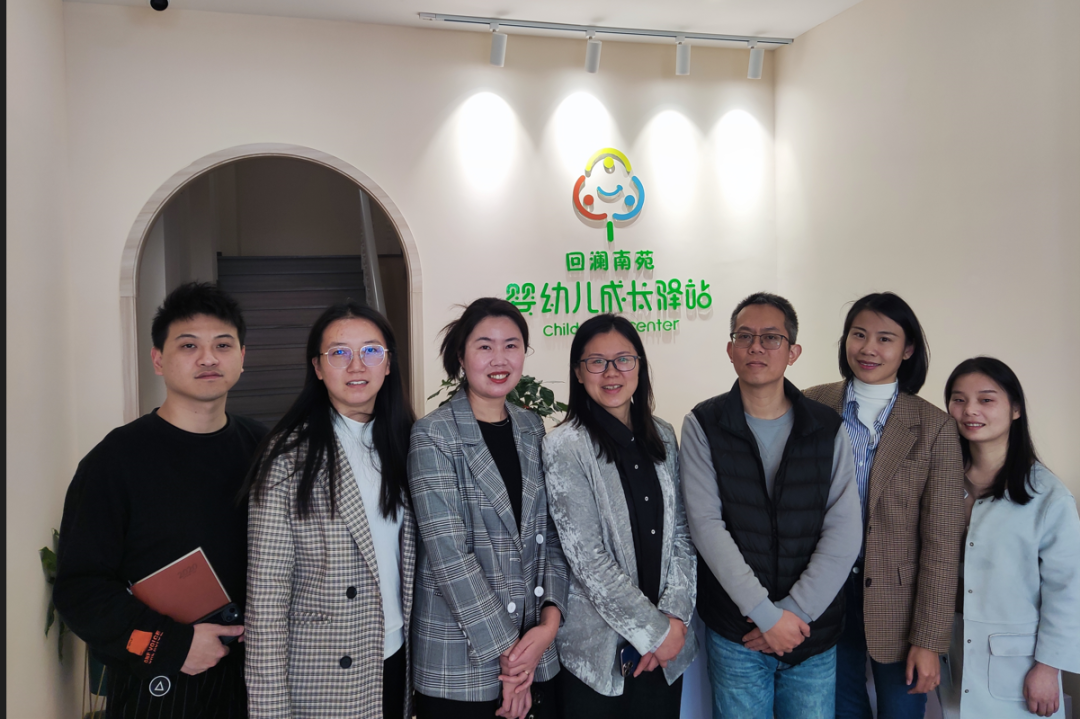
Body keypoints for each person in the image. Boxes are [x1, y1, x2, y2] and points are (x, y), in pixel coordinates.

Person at [54, 282, 265, 719]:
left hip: (255, 679)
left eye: (223, 345)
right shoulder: (115, 460)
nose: (208, 358)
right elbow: (79, 590)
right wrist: (171, 645)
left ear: (242, 357)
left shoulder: (265, 448)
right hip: (161, 686)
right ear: (157, 360)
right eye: (188, 345)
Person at [681, 291, 862, 719]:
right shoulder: (703, 424)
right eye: (744, 336)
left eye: (771, 337)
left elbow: (844, 530)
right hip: (738, 633)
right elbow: (706, 526)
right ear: (730, 349)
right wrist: (765, 616)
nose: (756, 347)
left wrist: (791, 617)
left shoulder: (827, 427)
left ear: (793, 352)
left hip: (810, 633)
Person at [243, 301, 416, 719]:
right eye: (339, 352)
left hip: (396, 654)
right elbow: (266, 598)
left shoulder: (410, 442)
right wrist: (269, 709)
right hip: (322, 670)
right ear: (318, 368)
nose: (357, 365)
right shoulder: (288, 457)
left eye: (371, 351)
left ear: (388, 363)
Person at [802, 292, 965, 718]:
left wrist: (929, 640)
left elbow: (942, 544)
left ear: (907, 350)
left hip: (901, 609)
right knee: (839, 709)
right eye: (859, 335)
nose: (868, 348)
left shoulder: (935, 427)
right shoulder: (810, 405)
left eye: (885, 339)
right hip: (824, 595)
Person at [408, 297, 569, 719]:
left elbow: (553, 534)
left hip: (537, 650)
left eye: (511, 345)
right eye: (484, 346)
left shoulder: (531, 427)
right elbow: (449, 556)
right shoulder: (433, 435)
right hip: (461, 664)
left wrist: (549, 624)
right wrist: (512, 661)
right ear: (461, 356)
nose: (500, 359)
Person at [542, 314, 697, 718]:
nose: (611, 372)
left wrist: (674, 618)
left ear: (639, 367)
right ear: (578, 373)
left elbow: (682, 533)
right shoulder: (564, 446)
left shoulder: (663, 435)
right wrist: (655, 632)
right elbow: (588, 560)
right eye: (596, 362)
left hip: (665, 655)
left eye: (623, 359)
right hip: (598, 657)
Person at [938, 357, 1080, 718]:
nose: (970, 410)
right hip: (946, 646)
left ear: (1015, 409)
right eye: (958, 399)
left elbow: (1067, 588)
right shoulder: (940, 481)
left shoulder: (1048, 495)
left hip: (1017, 660)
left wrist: (1048, 668)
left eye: (986, 399)